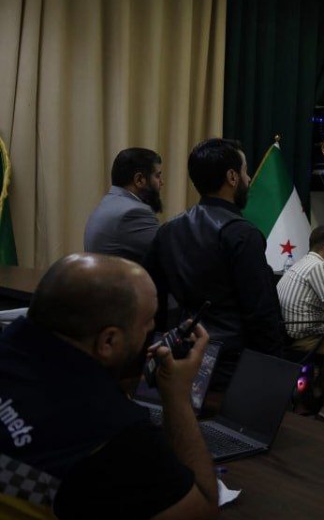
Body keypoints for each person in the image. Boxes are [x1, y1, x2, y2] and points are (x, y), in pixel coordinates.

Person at [0, 253, 218, 519]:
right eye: (147, 324)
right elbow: (202, 508)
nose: (151, 333)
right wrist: (177, 396)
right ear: (108, 342)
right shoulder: (115, 435)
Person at [144, 138, 283, 388]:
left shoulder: (167, 230)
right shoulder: (242, 234)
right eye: (245, 171)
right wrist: (271, 375)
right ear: (232, 177)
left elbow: (155, 302)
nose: (248, 179)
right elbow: (261, 314)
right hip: (232, 366)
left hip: (182, 356)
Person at [276, 225, 324, 422]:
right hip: (307, 338)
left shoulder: (299, 264)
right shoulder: (319, 267)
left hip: (287, 335)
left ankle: (316, 394)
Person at [83, 147, 164, 263]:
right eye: (157, 176)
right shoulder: (134, 213)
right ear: (139, 180)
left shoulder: (107, 203)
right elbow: (170, 257)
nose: (161, 182)